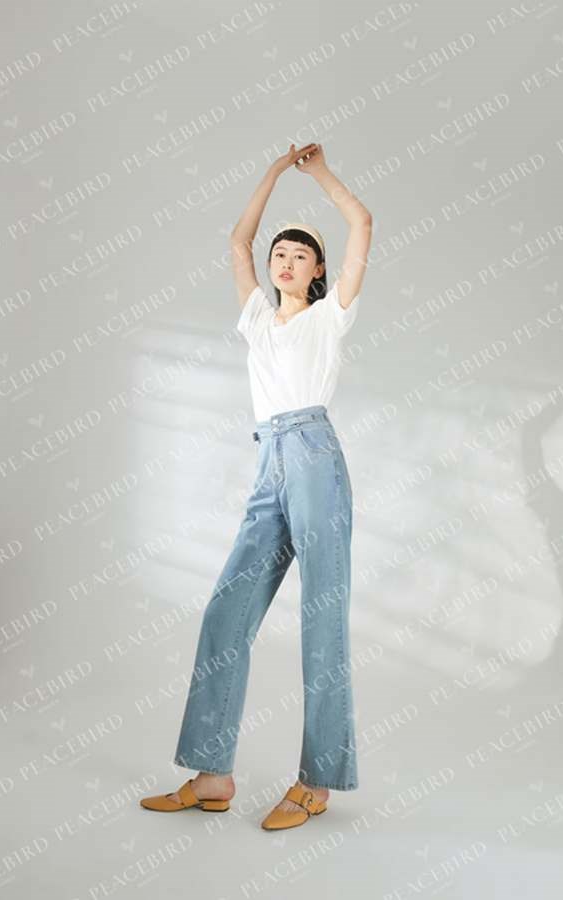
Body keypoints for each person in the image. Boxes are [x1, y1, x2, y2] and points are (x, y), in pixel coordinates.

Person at [140, 142, 372, 830]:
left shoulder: (331, 316)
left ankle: (318, 782)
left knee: (321, 620)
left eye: (301, 255)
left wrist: (319, 174)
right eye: (281, 253)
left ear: (319, 270)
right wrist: (271, 174)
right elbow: (238, 242)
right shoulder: (256, 321)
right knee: (225, 613)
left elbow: (361, 223)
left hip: (315, 459)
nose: (286, 260)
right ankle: (213, 775)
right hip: (269, 460)